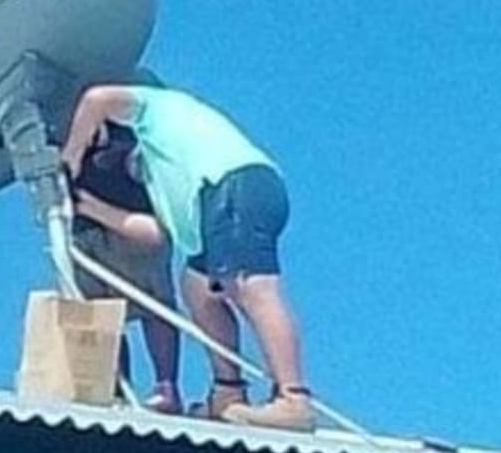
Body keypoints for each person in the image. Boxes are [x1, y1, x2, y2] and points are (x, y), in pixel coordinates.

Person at [61, 85, 314, 431]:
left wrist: (71, 156)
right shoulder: (158, 168)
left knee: (250, 286)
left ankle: (292, 399)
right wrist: (86, 206)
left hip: (233, 185)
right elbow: (155, 233)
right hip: (219, 207)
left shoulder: (153, 109)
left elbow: (97, 99)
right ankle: (227, 395)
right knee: (196, 287)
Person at [72, 122, 182, 413]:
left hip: (131, 220)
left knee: (153, 304)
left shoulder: (125, 103)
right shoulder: (59, 106)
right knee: (101, 312)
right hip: (83, 229)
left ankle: (165, 387)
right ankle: (116, 388)